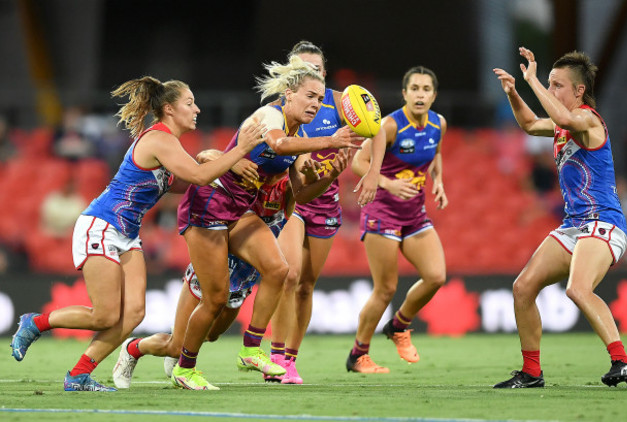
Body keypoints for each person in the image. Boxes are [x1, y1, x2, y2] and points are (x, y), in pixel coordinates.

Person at [9, 76, 265, 391]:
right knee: (104, 316)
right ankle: (34, 323)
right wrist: (240, 150)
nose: (197, 109)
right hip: (102, 225)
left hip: (126, 233)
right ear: (169, 109)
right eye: (189, 103)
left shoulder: (170, 144)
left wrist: (219, 160)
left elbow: (192, 176)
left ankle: (78, 375)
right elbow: (199, 177)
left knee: (132, 315)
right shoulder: (160, 139)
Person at [169, 55, 365, 390]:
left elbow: (299, 194)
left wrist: (330, 173)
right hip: (211, 205)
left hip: (245, 211)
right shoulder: (269, 114)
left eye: (320, 99)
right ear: (289, 93)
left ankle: (250, 349)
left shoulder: (298, 132)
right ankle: (176, 364)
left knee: (279, 271)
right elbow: (277, 144)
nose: (317, 104)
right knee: (214, 302)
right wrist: (331, 140)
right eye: (310, 96)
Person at [492, 47, 627, 388]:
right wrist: (516, 93)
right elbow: (530, 124)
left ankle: (622, 362)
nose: (552, 90)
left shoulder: (588, 119)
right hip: (575, 225)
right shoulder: (564, 126)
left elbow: (564, 119)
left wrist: (531, 80)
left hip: (604, 223)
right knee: (523, 288)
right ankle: (531, 373)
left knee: (577, 288)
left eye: (557, 85)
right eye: (549, 84)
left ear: (579, 91)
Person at [265, 41, 387, 384]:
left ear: (324, 71)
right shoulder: (280, 109)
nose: (311, 75)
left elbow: (376, 129)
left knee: (306, 285)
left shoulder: (341, 102)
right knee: (289, 275)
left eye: (316, 69)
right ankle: (275, 355)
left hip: (326, 202)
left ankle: (290, 359)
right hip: (291, 198)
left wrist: (374, 171)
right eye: (303, 69)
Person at [112, 171, 295, 389]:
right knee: (176, 346)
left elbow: (305, 190)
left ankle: (181, 350)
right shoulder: (246, 181)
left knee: (213, 335)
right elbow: (211, 159)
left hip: (242, 282)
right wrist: (212, 155)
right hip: (210, 272)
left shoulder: (289, 190)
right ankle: (133, 348)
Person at [346, 66, 448, 373]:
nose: (420, 94)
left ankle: (399, 325)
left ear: (433, 95)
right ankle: (358, 355)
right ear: (404, 94)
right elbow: (358, 162)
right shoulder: (389, 126)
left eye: (426, 89)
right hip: (383, 212)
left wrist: (439, 181)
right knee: (386, 289)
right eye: (414, 88)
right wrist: (388, 183)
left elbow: (436, 153)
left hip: (414, 213)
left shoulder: (438, 124)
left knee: (436, 276)